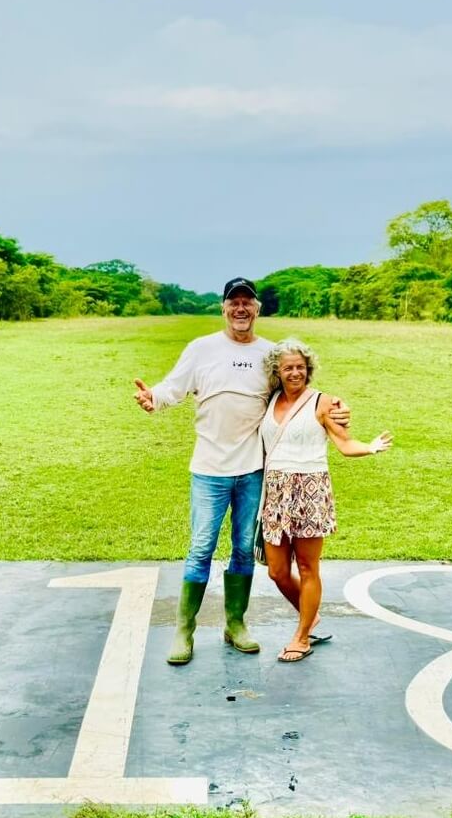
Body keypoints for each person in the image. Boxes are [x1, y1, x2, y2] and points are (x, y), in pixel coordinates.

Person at [133, 280, 349, 665]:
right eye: (234, 302)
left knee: (243, 552)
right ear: (223, 308)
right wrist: (154, 398)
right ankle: (185, 630)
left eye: (247, 302)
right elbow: (174, 386)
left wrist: (335, 411)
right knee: (200, 548)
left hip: (253, 470)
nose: (241, 309)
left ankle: (235, 624)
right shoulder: (202, 349)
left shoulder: (270, 354)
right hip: (209, 468)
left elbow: (296, 392)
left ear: (257, 308)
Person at [260, 338, 391, 663]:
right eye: (288, 367)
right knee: (276, 571)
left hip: (310, 490)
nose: (295, 373)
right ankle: (311, 614)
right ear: (277, 371)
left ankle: (302, 637)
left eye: (300, 368)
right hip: (274, 491)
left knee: (307, 566)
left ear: (309, 370)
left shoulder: (323, 402)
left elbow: (345, 444)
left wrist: (370, 446)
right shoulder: (270, 400)